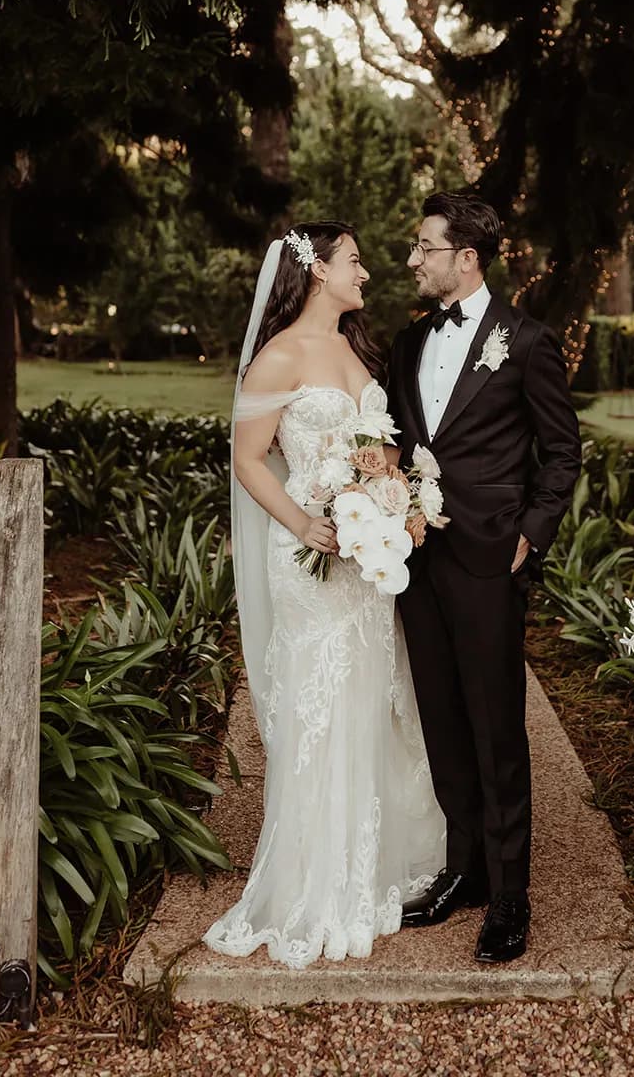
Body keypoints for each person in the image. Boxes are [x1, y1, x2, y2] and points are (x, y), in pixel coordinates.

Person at [203, 223, 443, 970]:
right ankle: (310, 884)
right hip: (309, 553)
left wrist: (395, 493)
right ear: (315, 274)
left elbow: (382, 445)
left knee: (370, 698)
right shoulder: (278, 356)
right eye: (354, 262)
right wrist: (307, 521)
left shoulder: (355, 349)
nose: (366, 273)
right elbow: (248, 460)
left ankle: (367, 868)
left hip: (366, 558)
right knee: (319, 704)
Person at [388, 192, 582, 964]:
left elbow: (561, 452)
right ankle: (462, 869)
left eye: (423, 246)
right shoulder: (409, 342)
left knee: (496, 725)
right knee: (440, 714)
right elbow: (399, 442)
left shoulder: (527, 342)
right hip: (415, 557)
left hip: (488, 557)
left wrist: (530, 535)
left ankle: (509, 896)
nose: (413, 258)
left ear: (465, 257)